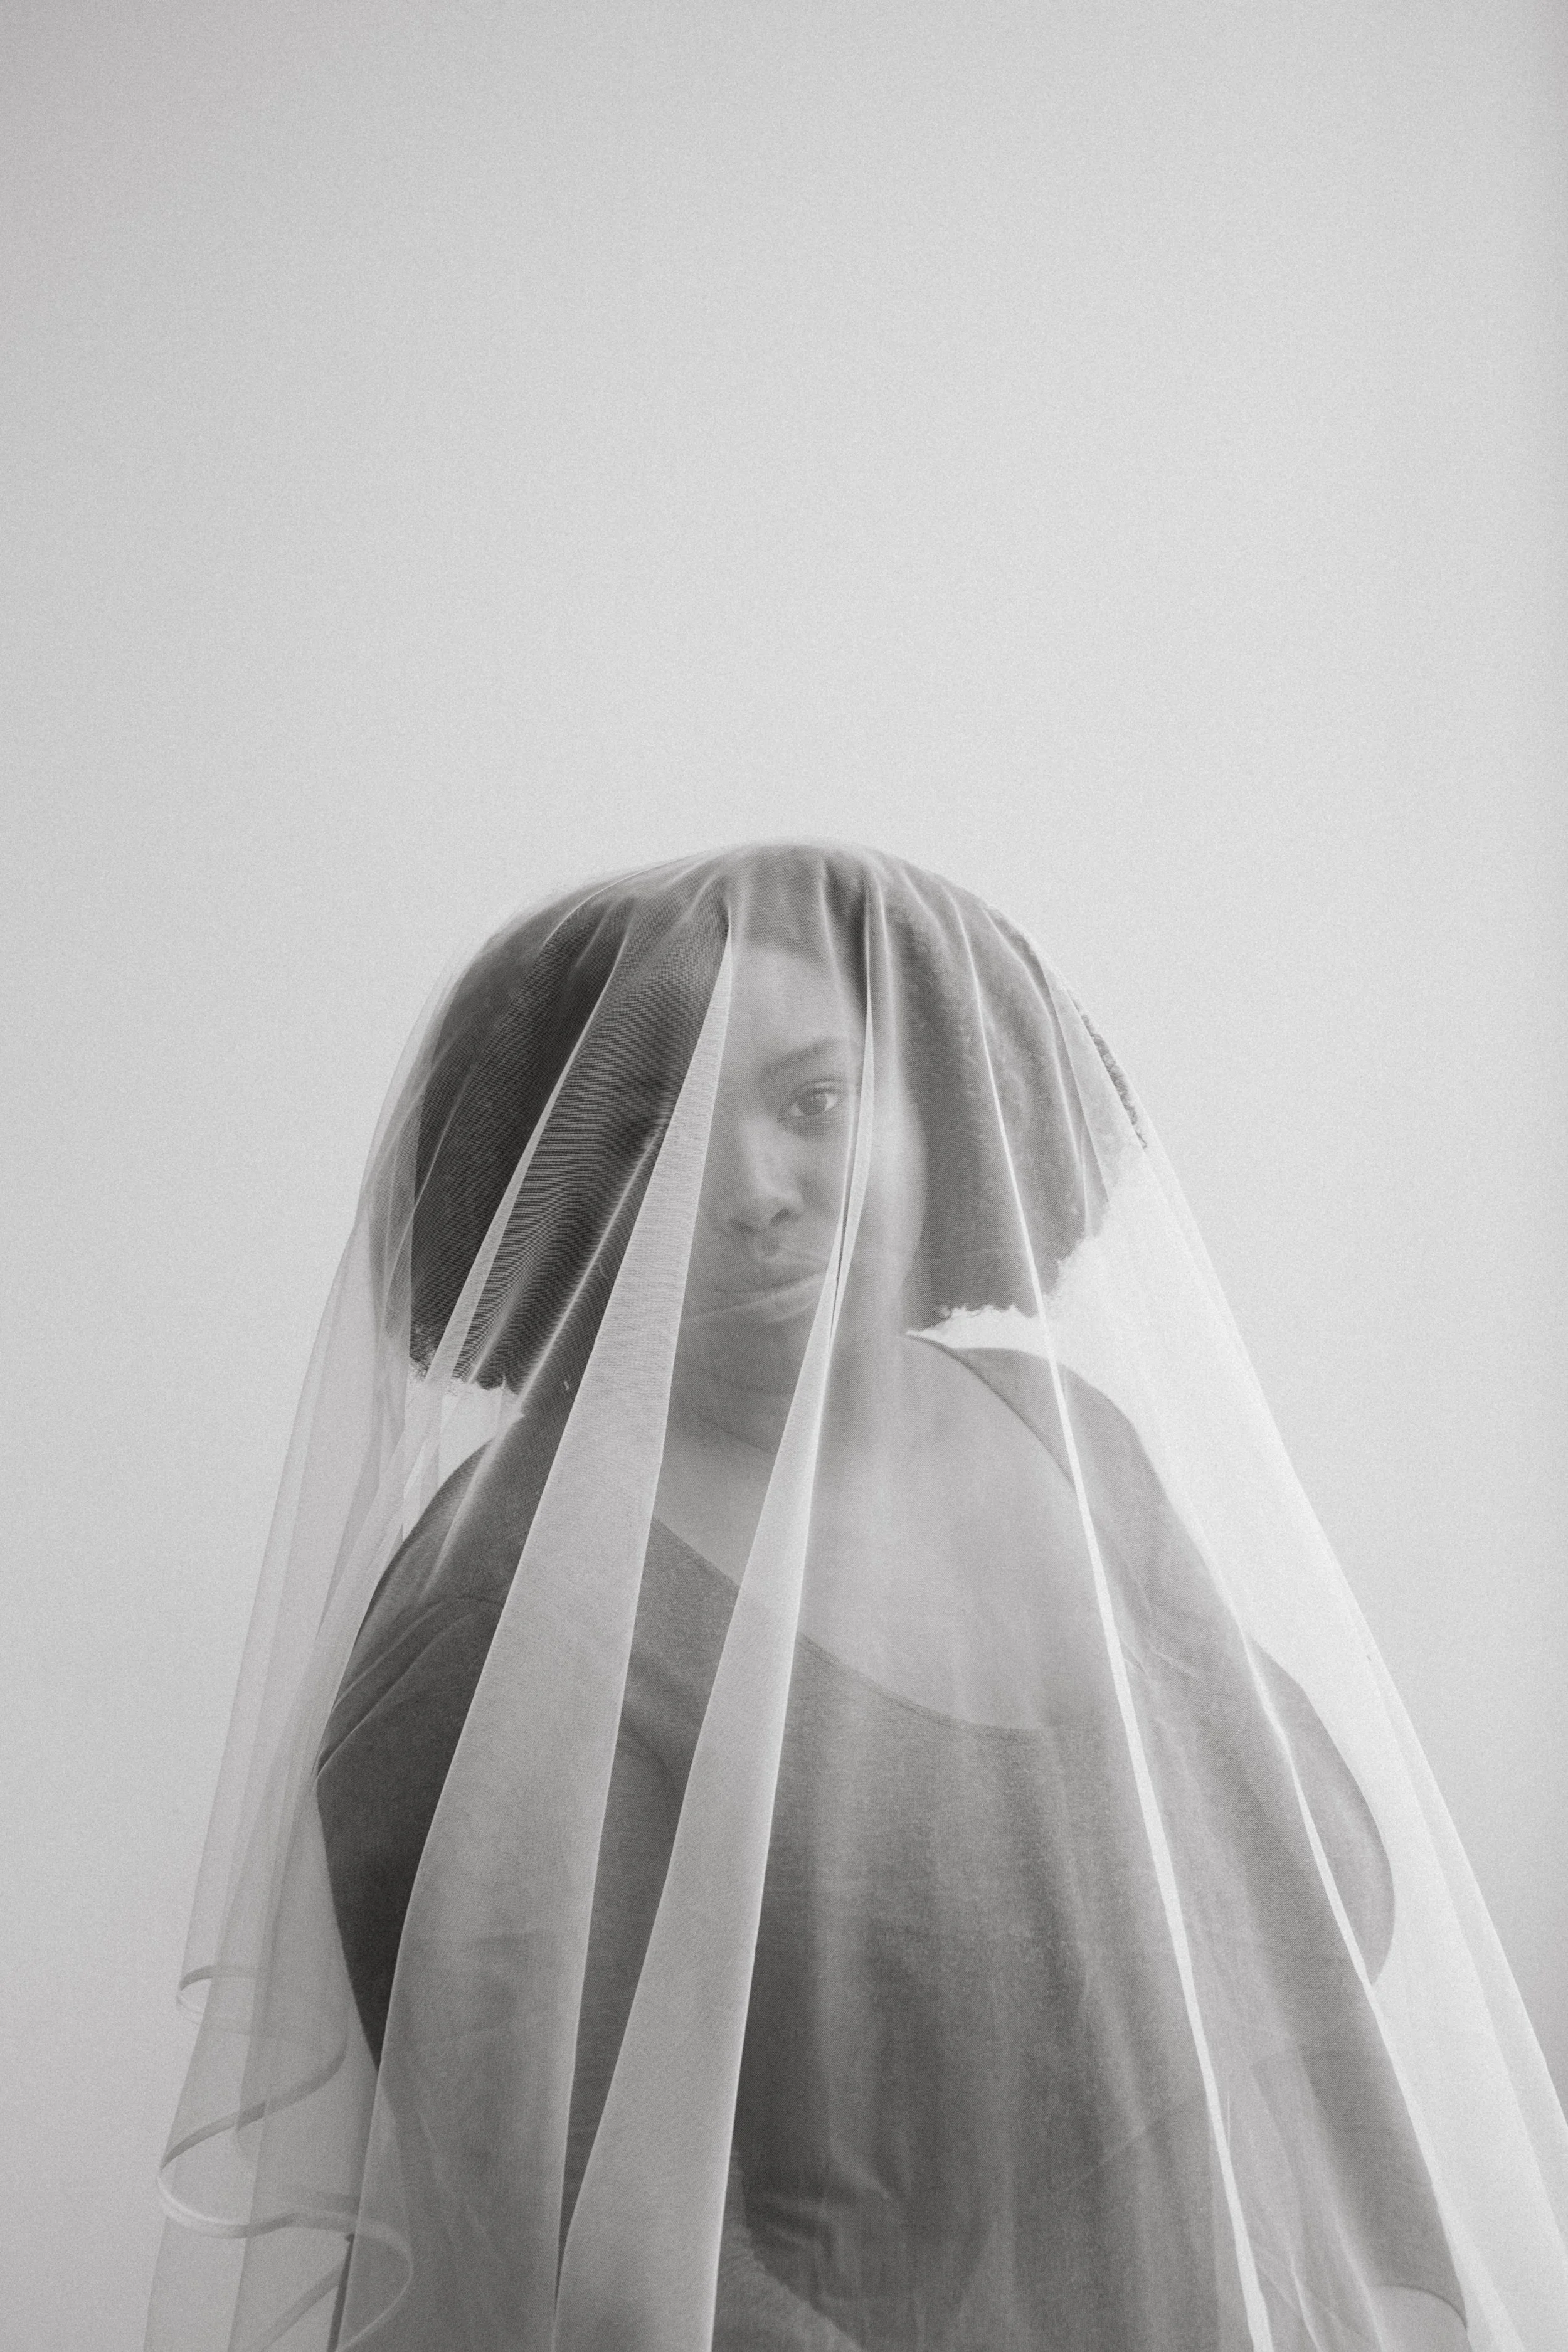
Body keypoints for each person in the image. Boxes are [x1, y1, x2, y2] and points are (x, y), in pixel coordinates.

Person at [151, 846, 1567, 2351]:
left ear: (933, 1109)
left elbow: (1300, 1975)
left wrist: (1395, 2301)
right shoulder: (498, 1621)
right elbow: (608, 2268)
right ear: (546, 1196)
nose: (751, 1193)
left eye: (814, 1102)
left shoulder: (1070, 1443)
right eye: (647, 1133)